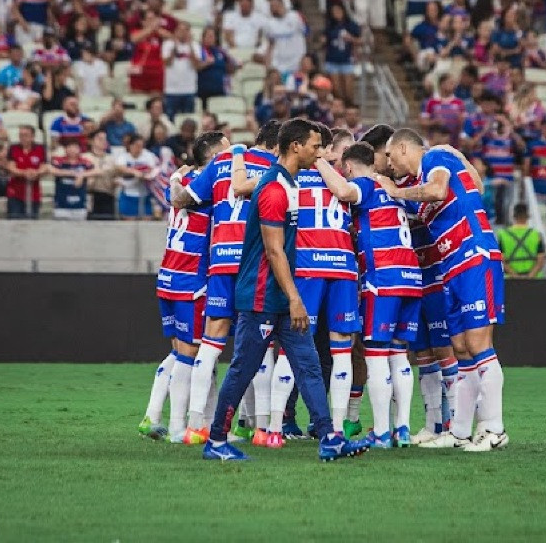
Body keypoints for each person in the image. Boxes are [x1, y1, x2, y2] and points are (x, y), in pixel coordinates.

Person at [201, 119, 372, 464]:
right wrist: (295, 298)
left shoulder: (287, 183)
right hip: (264, 296)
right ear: (296, 146)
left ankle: (329, 438)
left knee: (308, 366)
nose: (319, 152)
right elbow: (274, 250)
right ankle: (216, 439)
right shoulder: (275, 188)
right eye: (314, 146)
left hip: (278, 296)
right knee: (242, 369)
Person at [376, 128, 508, 452]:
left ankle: (494, 429)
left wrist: (395, 191)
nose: (390, 165)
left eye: (391, 157)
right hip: (452, 265)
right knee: (461, 348)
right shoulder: (429, 172)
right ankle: (460, 431)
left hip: (474, 255)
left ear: (405, 148)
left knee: (478, 344)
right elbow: (473, 186)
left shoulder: (435, 158)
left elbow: (437, 190)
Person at [173, 121, 281, 444]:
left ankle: (196, 426)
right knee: (260, 344)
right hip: (253, 262)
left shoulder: (221, 161)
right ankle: (262, 428)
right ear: (278, 146)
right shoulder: (276, 167)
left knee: (210, 343)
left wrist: (175, 179)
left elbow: (183, 200)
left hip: (220, 260)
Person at [316, 140, 422, 448]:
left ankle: (381, 432)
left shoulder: (364, 183)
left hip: (384, 278)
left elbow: (345, 192)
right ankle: (402, 429)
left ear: (348, 167)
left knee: (375, 356)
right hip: (410, 278)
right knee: (400, 354)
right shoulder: (392, 190)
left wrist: (321, 162)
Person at [140, 130, 229, 442]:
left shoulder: (183, 180)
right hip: (191, 280)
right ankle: (179, 428)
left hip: (168, 275)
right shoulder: (211, 187)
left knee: (181, 354)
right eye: (227, 151)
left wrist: (177, 177)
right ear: (215, 157)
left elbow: (173, 191)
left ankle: (153, 414)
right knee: (192, 355)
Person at [495, 203, 546, 278]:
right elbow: (540, 261)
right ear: (528, 216)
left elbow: (501, 260)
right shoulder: (536, 235)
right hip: (534, 281)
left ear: (514, 216)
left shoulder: (503, 235)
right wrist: (529, 277)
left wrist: (516, 277)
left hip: (510, 281)